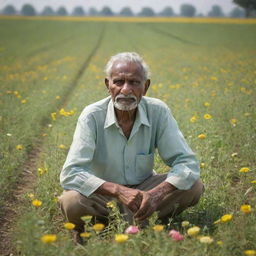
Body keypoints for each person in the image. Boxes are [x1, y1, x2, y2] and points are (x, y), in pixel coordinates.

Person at [59, 52, 204, 242]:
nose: (126, 90)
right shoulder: (92, 116)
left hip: (145, 192)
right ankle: (141, 224)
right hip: (103, 194)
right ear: (107, 85)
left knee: (193, 184)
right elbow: (71, 173)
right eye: (118, 82)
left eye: (134, 82)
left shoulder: (158, 111)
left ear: (146, 86)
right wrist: (119, 191)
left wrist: (156, 194)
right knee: (72, 202)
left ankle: (118, 224)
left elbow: (186, 162)